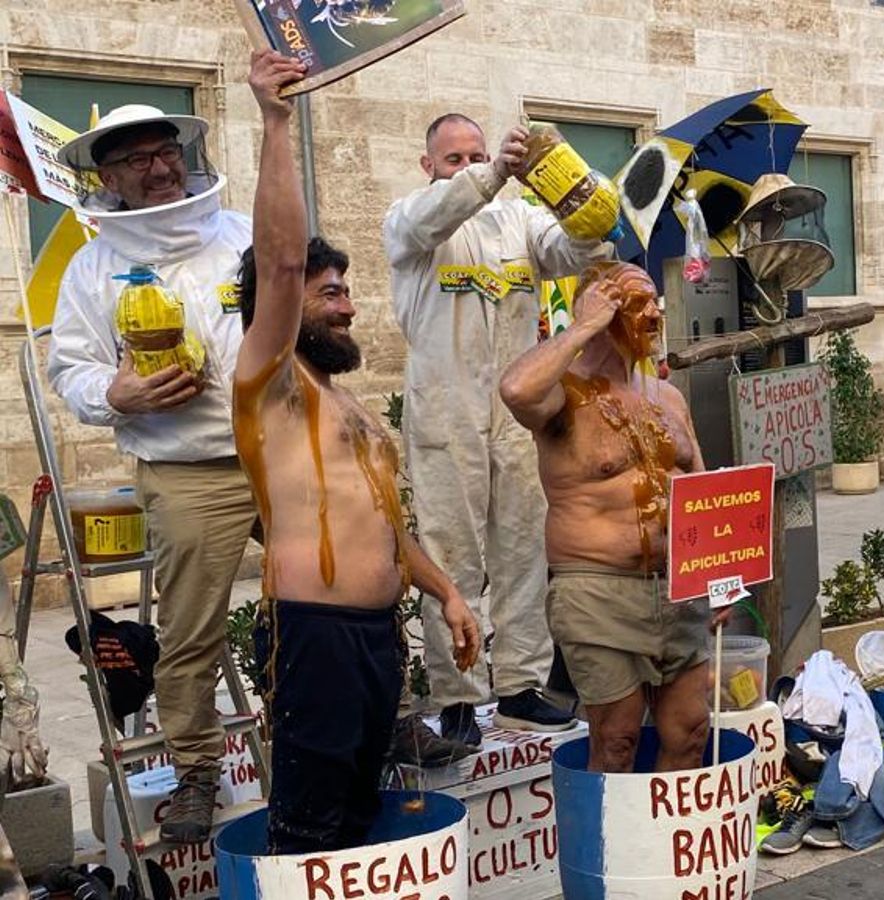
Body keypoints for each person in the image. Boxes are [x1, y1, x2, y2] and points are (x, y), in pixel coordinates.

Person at [232, 50, 481, 851]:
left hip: (378, 638)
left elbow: (386, 530)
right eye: (329, 292)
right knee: (311, 825)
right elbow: (276, 260)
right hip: (314, 634)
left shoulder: (348, 406)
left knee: (360, 815)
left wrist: (445, 592)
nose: (348, 305)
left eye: (345, 288)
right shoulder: (270, 386)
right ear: (281, 308)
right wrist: (276, 121)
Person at [49, 100, 255, 842]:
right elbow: (69, 369)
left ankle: (379, 719)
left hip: (281, 445)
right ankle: (198, 770)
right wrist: (115, 392)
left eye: (166, 152)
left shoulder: (239, 234)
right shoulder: (91, 267)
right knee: (192, 632)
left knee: (348, 583)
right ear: (108, 177)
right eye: (138, 160)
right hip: (186, 467)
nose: (161, 168)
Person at [383, 112, 610, 744]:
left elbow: (574, 250)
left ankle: (520, 686)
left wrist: (573, 191)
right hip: (444, 411)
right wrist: (490, 175)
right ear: (429, 165)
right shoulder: (410, 221)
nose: (469, 165)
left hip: (516, 410)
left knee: (522, 552)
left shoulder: (520, 222)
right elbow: (434, 218)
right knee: (450, 556)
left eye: (477, 154)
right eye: (454, 158)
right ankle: (456, 697)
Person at [499, 261, 723, 774]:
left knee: (690, 731)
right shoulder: (564, 394)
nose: (653, 317)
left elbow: (700, 492)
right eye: (637, 304)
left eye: (655, 305)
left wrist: (716, 583)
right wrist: (581, 328)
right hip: (597, 591)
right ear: (601, 309)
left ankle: (666, 847)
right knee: (617, 736)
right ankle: (613, 852)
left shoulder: (667, 398)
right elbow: (515, 390)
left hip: (676, 590)